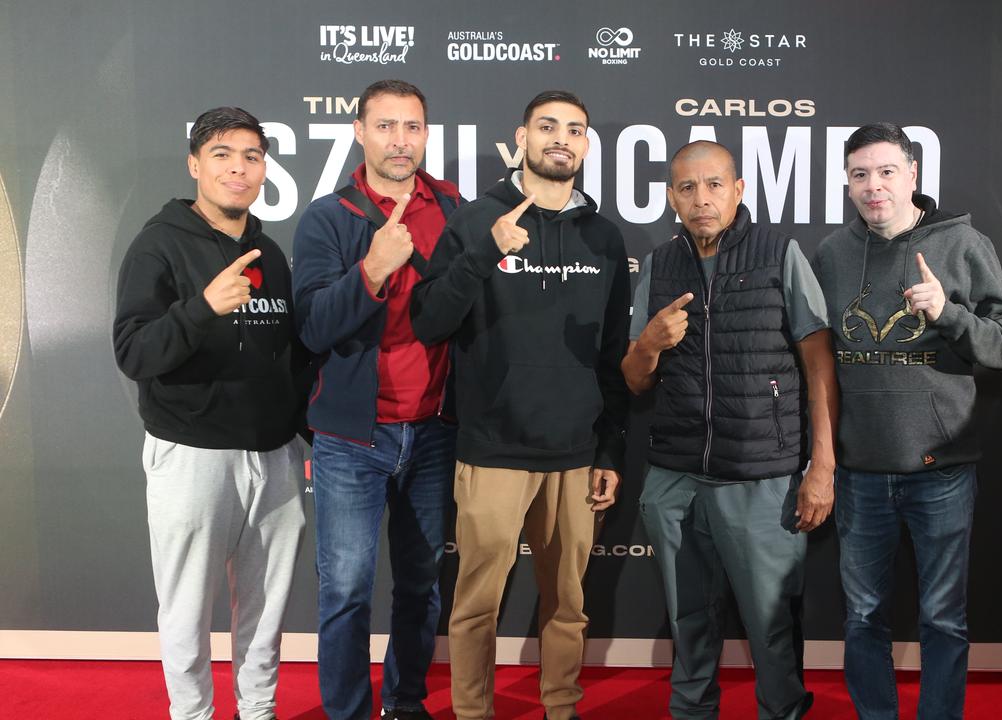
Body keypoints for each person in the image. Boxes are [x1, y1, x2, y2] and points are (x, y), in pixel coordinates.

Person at [409, 89, 629, 720]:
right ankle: (472, 712)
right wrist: (486, 251)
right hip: (493, 447)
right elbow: (428, 323)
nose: (561, 137)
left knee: (567, 603)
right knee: (477, 603)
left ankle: (560, 706)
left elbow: (612, 356)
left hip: (577, 455)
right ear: (523, 138)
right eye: (547, 126)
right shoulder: (478, 219)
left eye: (575, 129)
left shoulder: (607, 239)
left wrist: (610, 447)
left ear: (585, 145)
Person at [813, 123, 1002, 720]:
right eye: (860, 175)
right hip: (859, 474)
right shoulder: (830, 256)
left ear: (912, 174)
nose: (873, 186)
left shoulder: (962, 244)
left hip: (942, 474)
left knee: (943, 619)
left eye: (886, 172)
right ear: (848, 184)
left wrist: (949, 313)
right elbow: (817, 362)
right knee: (861, 618)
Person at [620, 140, 837, 720]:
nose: (702, 199)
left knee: (772, 632)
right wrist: (650, 343)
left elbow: (819, 365)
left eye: (714, 185)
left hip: (761, 479)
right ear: (671, 198)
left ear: (739, 191)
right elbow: (635, 379)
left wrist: (823, 466)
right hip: (675, 479)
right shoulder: (660, 265)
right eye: (687, 188)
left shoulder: (779, 252)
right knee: (688, 626)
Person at [113, 106, 308, 720]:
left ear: (264, 169)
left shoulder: (270, 253)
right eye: (222, 154)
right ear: (195, 164)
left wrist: (305, 438)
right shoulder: (158, 245)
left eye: (252, 156)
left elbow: (287, 359)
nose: (238, 167)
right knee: (186, 610)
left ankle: (258, 711)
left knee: (266, 610)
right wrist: (201, 308)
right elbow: (134, 352)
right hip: (192, 454)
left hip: (275, 456)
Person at [292, 79, 462, 720]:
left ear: (425, 134)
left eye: (412, 126)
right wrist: (372, 270)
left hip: (435, 431)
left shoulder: (452, 206)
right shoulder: (328, 217)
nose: (400, 140)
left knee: (421, 587)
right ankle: (347, 712)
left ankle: (406, 701)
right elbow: (310, 326)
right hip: (351, 440)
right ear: (359, 133)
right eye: (386, 126)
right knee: (345, 592)